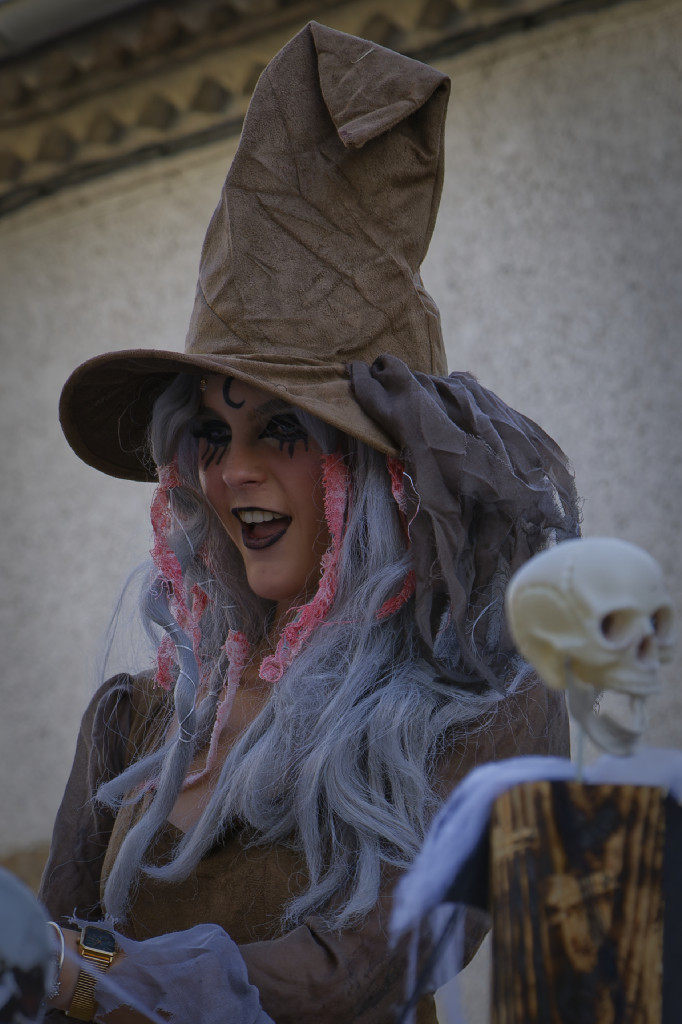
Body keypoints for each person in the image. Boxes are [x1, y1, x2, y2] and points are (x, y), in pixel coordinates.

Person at [38, 21, 579, 1024]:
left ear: (378, 474)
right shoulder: (134, 722)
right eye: (211, 431)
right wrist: (57, 971)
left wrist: (91, 978)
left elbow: (364, 961)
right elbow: (56, 966)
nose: (233, 468)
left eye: (282, 428)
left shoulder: (483, 710)